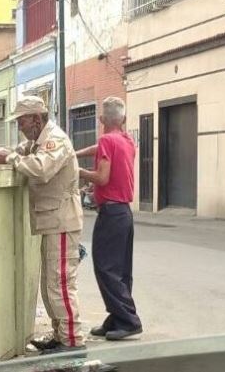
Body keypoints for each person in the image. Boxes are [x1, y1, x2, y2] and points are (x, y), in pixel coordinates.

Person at [0, 96, 84, 353]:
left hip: (62, 220)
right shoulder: (37, 141)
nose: (19, 125)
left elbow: (41, 169)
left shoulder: (56, 140)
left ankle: (72, 340)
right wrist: (8, 153)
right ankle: (60, 333)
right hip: (52, 221)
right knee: (50, 284)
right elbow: (25, 151)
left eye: (22, 120)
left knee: (60, 283)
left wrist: (10, 159)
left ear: (37, 119)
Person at [77, 96, 143, 341]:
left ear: (101, 119)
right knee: (122, 269)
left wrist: (77, 170)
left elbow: (102, 178)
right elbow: (100, 148)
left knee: (105, 268)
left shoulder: (107, 140)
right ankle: (117, 316)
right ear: (123, 119)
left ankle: (128, 320)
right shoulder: (126, 140)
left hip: (111, 213)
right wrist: (77, 153)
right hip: (124, 212)